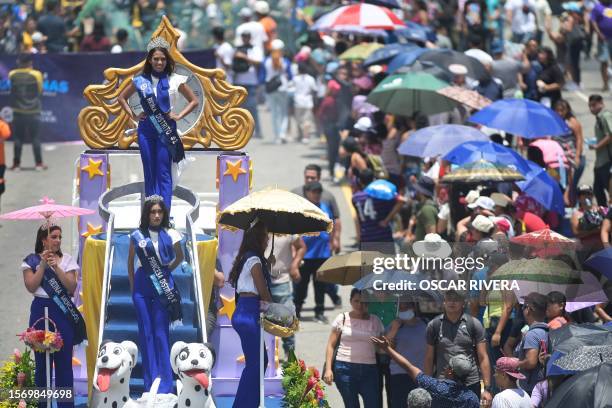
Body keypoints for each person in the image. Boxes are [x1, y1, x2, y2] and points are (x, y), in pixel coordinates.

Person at [118, 37, 199, 210]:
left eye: (163, 59)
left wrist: (179, 116)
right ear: (150, 60)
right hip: (146, 129)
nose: (159, 62)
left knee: (163, 172)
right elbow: (121, 98)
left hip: (166, 128)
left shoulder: (176, 79)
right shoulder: (140, 80)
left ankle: (165, 214)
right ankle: (151, 214)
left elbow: (194, 101)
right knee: (149, 171)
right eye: (156, 59)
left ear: (167, 60)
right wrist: (133, 115)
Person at [22, 225, 87, 407]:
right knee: (41, 365)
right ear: (44, 240)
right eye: (53, 236)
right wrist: (42, 265)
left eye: (60, 236)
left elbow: (72, 287)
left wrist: (56, 267)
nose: (58, 240)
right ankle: (43, 404)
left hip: (61, 314)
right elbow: (31, 286)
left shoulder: (67, 260)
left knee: (64, 364)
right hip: (39, 313)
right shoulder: (31, 261)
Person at [127, 196, 184, 393]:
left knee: (161, 333)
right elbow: (130, 263)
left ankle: (165, 384)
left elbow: (180, 256)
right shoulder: (137, 235)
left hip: (162, 284)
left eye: (160, 211)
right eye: (153, 212)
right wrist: (134, 289)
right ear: (147, 214)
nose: (157, 215)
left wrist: (167, 271)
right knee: (146, 334)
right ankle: (149, 382)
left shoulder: (172, 233)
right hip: (142, 285)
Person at [228, 219, 273, 408]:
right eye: (265, 237)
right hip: (248, 313)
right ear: (258, 238)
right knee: (256, 363)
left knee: (259, 361)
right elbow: (263, 292)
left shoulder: (247, 257)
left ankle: (249, 402)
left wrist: (268, 265)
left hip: (245, 311)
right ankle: (243, 405)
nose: (267, 241)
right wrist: (277, 310)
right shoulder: (254, 260)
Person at [424, 290, 492, 404]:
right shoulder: (434, 325)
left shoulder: (474, 324)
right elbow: (429, 358)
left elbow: (483, 357)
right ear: (444, 302)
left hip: (470, 383)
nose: (452, 302)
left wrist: (487, 388)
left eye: (456, 299)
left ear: (463, 303)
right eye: (449, 299)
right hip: (443, 383)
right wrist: (427, 385)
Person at [373, 337, 480, 408]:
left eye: (448, 366)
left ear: (450, 372)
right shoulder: (472, 398)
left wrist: (387, 349)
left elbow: (408, 367)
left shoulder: (435, 386)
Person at [323, 289, 383, 407]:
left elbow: (380, 347)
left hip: (369, 371)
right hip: (345, 369)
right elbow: (330, 345)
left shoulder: (375, 321)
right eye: (356, 301)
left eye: (364, 302)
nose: (360, 305)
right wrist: (328, 369)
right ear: (350, 301)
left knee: (373, 404)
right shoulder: (342, 318)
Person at [295, 182, 335, 323]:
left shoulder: (325, 207)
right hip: (306, 255)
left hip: (322, 254)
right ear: (307, 193)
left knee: (320, 286)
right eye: (314, 192)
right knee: (301, 286)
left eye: (319, 192)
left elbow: (332, 224)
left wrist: (332, 241)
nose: (316, 194)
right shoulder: (302, 209)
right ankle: (297, 312)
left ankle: (319, 312)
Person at [265, 234, 305, 357]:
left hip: (282, 280)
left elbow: (301, 247)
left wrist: (295, 265)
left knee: (287, 318)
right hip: (260, 280)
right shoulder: (258, 226)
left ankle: (289, 352)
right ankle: (267, 354)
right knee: (264, 320)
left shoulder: (289, 230)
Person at [385, 302, 428, 408]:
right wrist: (394, 329)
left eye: (407, 306)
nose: (404, 310)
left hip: (421, 374)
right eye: (401, 308)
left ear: (414, 307)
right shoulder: (393, 325)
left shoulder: (426, 323)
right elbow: (385, 348)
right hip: (399, 374)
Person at [9, 53, 44, 171]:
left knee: (18, 138)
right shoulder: (37, 74)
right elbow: (40, 90)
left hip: (18, 111)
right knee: (35, 138)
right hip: (34, 111)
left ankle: (16, 164)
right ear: (30, 63)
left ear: (19, 62)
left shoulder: (12, 74)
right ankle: (38, 164)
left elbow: (12, 90)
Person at [352, 169, 404, 245]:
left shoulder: (356, 198)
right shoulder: (382, 195)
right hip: (384, 237)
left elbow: (357, 219)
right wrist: (386, 220)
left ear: (359, 181)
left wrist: (358, 238)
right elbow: (401, 200)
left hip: (366, 238)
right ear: (374, 180)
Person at [515, 292, 549, 394]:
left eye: (523, 307)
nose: (522, 310)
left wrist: (516, 364)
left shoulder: (532, 334)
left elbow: (531, 362)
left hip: (531, 389)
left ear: (528, 310)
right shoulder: (547, 330)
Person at [232, 31, 264, 139]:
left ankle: (257, 131)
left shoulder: (255, 49)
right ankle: (241, 133)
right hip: (239, 82)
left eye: (247, 36)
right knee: (239, 109)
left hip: (251, 82)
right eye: (243, 36)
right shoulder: (237, 48)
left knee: (252, 108)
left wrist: (244, 57)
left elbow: (258, 62)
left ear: (250, 37)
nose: (245, 38)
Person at [553, 99, 585, 204]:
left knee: (570, 178)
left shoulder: (573, 122)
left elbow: (579, 139)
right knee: (554, 177)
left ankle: (568, 198)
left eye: (562, 110)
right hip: (556, 155)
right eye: (557, 110)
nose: (560, 113)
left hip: (570, 153)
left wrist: (577, 156)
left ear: (567, 110)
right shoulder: (553, 121)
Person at [262, 39, 292, 144]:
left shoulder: (266, 61)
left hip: (270, 89)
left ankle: (277, 136)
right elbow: (290, 76)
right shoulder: (285, 61)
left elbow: (262, 77)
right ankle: (283, 134)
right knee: (283, 113)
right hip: (283, 88)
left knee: (274, 113)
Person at [588, 94, 612, 206]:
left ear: (601, 103)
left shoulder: (605, 116)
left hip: (607, 161)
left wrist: (597, 146)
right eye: (590, 106)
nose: (592, 108)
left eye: (594, 105)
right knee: (597, 190)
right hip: (600, 161)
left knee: (609, 189)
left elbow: (610, 135)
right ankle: (604, 214)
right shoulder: (599, 118)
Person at [571, 184, 606, 254]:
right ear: (578, 198)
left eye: (588, 193)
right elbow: (577, 234)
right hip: (586, 250)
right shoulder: (576, 215)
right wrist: (594, 230)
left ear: (592, 196)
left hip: (602, 248)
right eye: (583, 194)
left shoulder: (601, 209)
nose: (586, 196)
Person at [292, 63, 318, 144]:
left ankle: (301, 135)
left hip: (298, 101)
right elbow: (315, 88)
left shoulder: (295, 78)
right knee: (307, 120)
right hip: (308, 101)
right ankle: (305, 136)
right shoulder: (310, 79)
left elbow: (291, 87)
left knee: (299, 119)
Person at [590, 0, 612, 91]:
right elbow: (593, 21)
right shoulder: (597, 7)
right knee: (604, 61)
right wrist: (599, 33)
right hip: (603, 39)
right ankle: (605, 83)